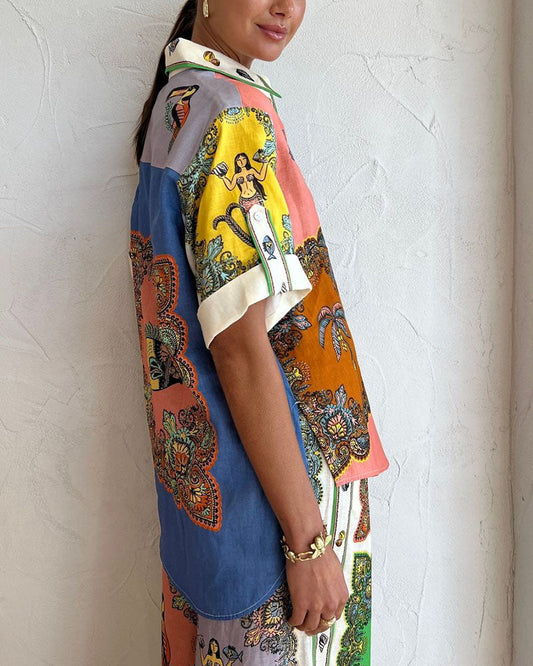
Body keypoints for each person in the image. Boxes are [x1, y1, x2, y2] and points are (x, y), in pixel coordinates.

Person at [129, 0, 390, 663]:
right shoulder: (230, 116)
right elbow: (241, 349)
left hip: (212, 513)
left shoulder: (180, 103)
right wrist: (309, 544)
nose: (286, 8)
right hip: (274, 525)